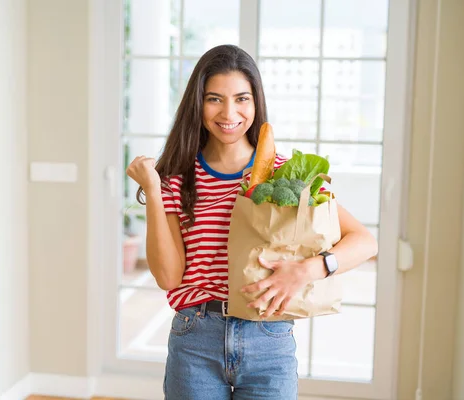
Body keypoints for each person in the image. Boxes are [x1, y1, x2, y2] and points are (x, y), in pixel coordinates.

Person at [126, 44, 378, 400]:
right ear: (197, 104)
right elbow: (168, 277)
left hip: (268, 340)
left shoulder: (284, 172)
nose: (229, 112)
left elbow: (365, 241)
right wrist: (153, 188)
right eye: (214, 98)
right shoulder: (176, 179)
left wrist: (308, 270)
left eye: (241, 98)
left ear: (256, 102)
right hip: (196, 336)